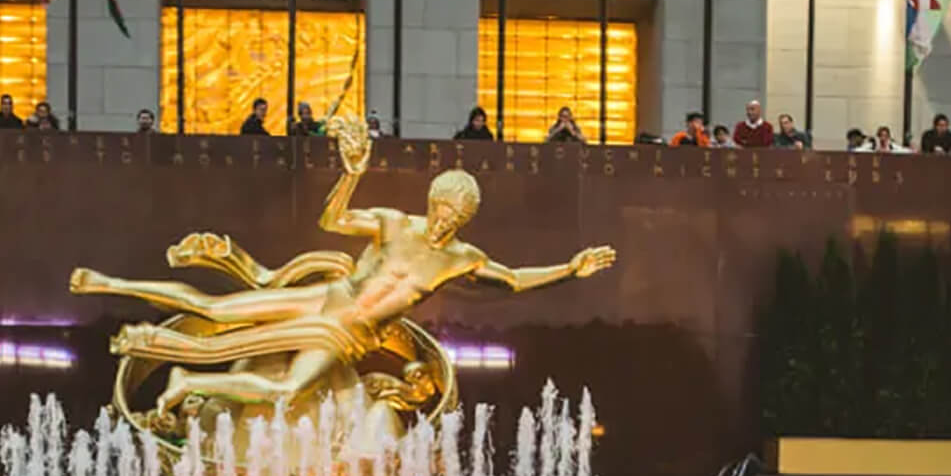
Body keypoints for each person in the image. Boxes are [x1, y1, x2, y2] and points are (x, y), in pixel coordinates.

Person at [69, 115, 614, 415]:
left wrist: (570, 267)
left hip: (351, 335)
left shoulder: (460, 258)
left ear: (468, 219)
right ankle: (108, 283)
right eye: (444, 207)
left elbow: (514, 280)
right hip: (328, 298)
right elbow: (332, 220)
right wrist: (352, 171)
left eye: (460, 214)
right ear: (432, 201)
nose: (447, 219)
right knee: (216, 310)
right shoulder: (393, 222)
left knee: (286, 393)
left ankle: (191, 381)